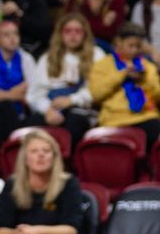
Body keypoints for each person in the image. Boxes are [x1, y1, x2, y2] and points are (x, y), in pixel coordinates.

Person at [28, 13, 106, 145]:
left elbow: (98, 89)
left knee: (73, 126)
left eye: (78, 31)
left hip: (82, 110)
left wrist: (71, 100)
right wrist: (47, 110)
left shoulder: (96, 54)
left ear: (85, 34)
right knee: (30, 126)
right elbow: (34, 94)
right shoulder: (47, 58)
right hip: (50, 108)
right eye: (68, 31)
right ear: (60, 34)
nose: (73, 35)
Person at [87, 22, 160, 149]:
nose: (134, 50)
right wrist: (121, 75)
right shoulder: (102, 65)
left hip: (145, 116)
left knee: (157, 132)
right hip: (114, 119)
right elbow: (96, 94)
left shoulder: (147, 66)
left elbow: (159, 95)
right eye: (130, 45)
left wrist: (143, 79)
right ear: (119, 43)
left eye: (138, 46)